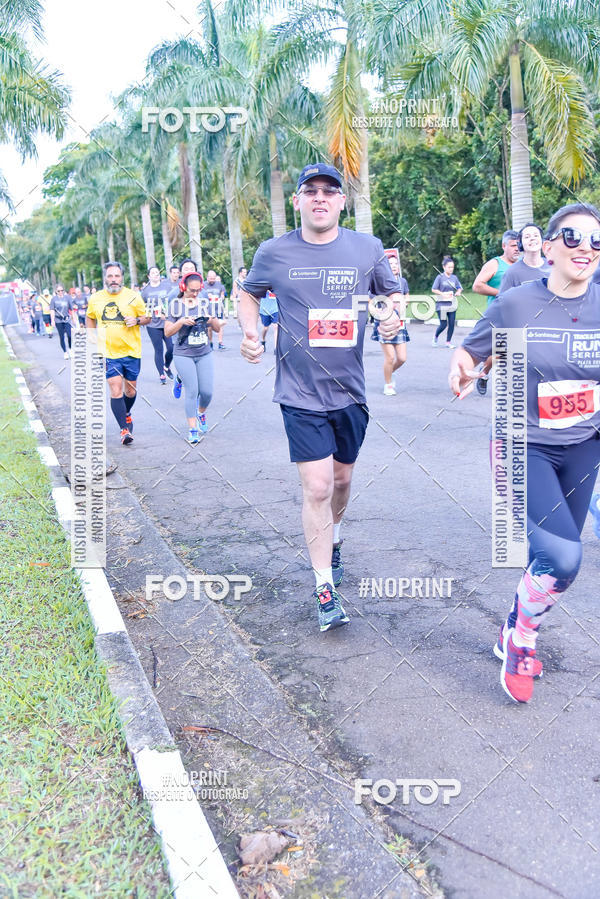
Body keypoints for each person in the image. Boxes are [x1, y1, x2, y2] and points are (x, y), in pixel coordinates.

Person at [238, 162, 403, 632]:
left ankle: (336, 536)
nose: (320, 198)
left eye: (330, 191)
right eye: (310, 191)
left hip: (350, 390)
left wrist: (391, 319)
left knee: (343, 481)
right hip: (298, 390)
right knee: (317, 487)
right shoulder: (274, 251)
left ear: (341, 202)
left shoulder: (366, 248)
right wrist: (251, 333)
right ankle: (324, 586)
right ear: (297, 201)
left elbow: (391, 296)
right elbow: (248, 293)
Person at [449, 202, 600, 703]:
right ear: (550, 246)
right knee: (563, 556)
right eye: (575, 238)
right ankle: (522, 640)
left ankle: (513, 623)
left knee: (548, 557)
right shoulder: (517, 303)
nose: (587, 249)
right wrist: (462, 369)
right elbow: (471, 350)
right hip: (523, 447)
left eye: (597, 242)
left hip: (583, 448)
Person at [86, 261, 150, 445]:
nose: (113, 279)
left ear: (122, 277)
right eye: (110, 276)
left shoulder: (133, 296)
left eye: (117, 276)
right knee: (115, 388)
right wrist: (91, 336)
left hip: (131, 351)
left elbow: (148, 318)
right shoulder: (96, 298)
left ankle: (127, 413)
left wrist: (137, 320)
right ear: (105, 278)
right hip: (108, 352)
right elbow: (90, 317)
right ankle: (124, 430)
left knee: (130, 391)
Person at [164, 271, 220, 444]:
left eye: (198, 290)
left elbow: (216, 328)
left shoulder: (204, 303)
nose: (195, 294)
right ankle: (192, 429)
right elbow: (167, 332)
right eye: (191, 290)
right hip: (183, 353)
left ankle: (201, 413)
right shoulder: (175, 305)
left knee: (207, 392)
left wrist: (211, 318)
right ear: (183, 287)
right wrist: (181, 322)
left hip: (204, 352)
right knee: (193, 391)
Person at [376, 254, 410, 395]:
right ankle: (388, 384)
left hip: (400, 323)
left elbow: (407, 295)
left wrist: (404, 303)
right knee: (390, 357)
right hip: (384, 324)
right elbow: (371, 299)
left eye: (396, 263)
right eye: (391, 264)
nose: (394, 266)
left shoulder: (402, 281)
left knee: (402, 358)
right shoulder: (380, 282)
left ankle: (389, 372)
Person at [140, 265, 175, 384]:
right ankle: (161, 374)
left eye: (157, 272)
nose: (156, 274)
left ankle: (166, 366)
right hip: (153, 324)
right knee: (158, 349)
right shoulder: (145, 291)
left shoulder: (167, 286)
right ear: (149, 276)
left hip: (167, 321)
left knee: (171, 348)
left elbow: (173, 300)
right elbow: (141, 306)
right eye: (153, 273)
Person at [473, 230, 519, 306]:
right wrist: (502, 293)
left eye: (518, 245)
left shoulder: (523, 263)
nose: (517, 249)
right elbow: (477, 286)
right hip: (498, 312)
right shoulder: (494, 264)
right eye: (513, 246)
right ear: (504, 246)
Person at [431, 256, 462, 347]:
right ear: (444, 267)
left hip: (452, 304)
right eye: (449, 267)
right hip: (441, 305)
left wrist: (458, 292)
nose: (451, 269)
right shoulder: (440, 277)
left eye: (452, 267)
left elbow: (459, 288)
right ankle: (435, 336)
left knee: (452, 324)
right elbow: (433, 289)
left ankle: (448, 342)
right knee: (444, 324)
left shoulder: (454, 278)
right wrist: (442, 294)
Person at [50, 285, 77, 358]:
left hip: (67, 319)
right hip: (58, 320)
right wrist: (52, 320)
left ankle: (70, 349)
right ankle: (65, 352)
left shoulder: (67, 298)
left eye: (62, 290)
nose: (60, 292)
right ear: (56, 291)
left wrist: (74, 319)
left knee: (69, 335)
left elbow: (71, 309)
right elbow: (52, 310)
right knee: (61, 337)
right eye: (59, 291)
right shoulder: (54, 299)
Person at [205, 270, 227, 349]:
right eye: (211, 278)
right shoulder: (203, 285)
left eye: (213, 278)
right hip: (208, 309)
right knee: (209, 327)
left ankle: (220, 343)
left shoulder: (219, 285)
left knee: (220, 325)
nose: (212, 280)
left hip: (218, 308)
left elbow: (222, 295)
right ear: (207, 278)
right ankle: (210, 343)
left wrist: (221, 298)